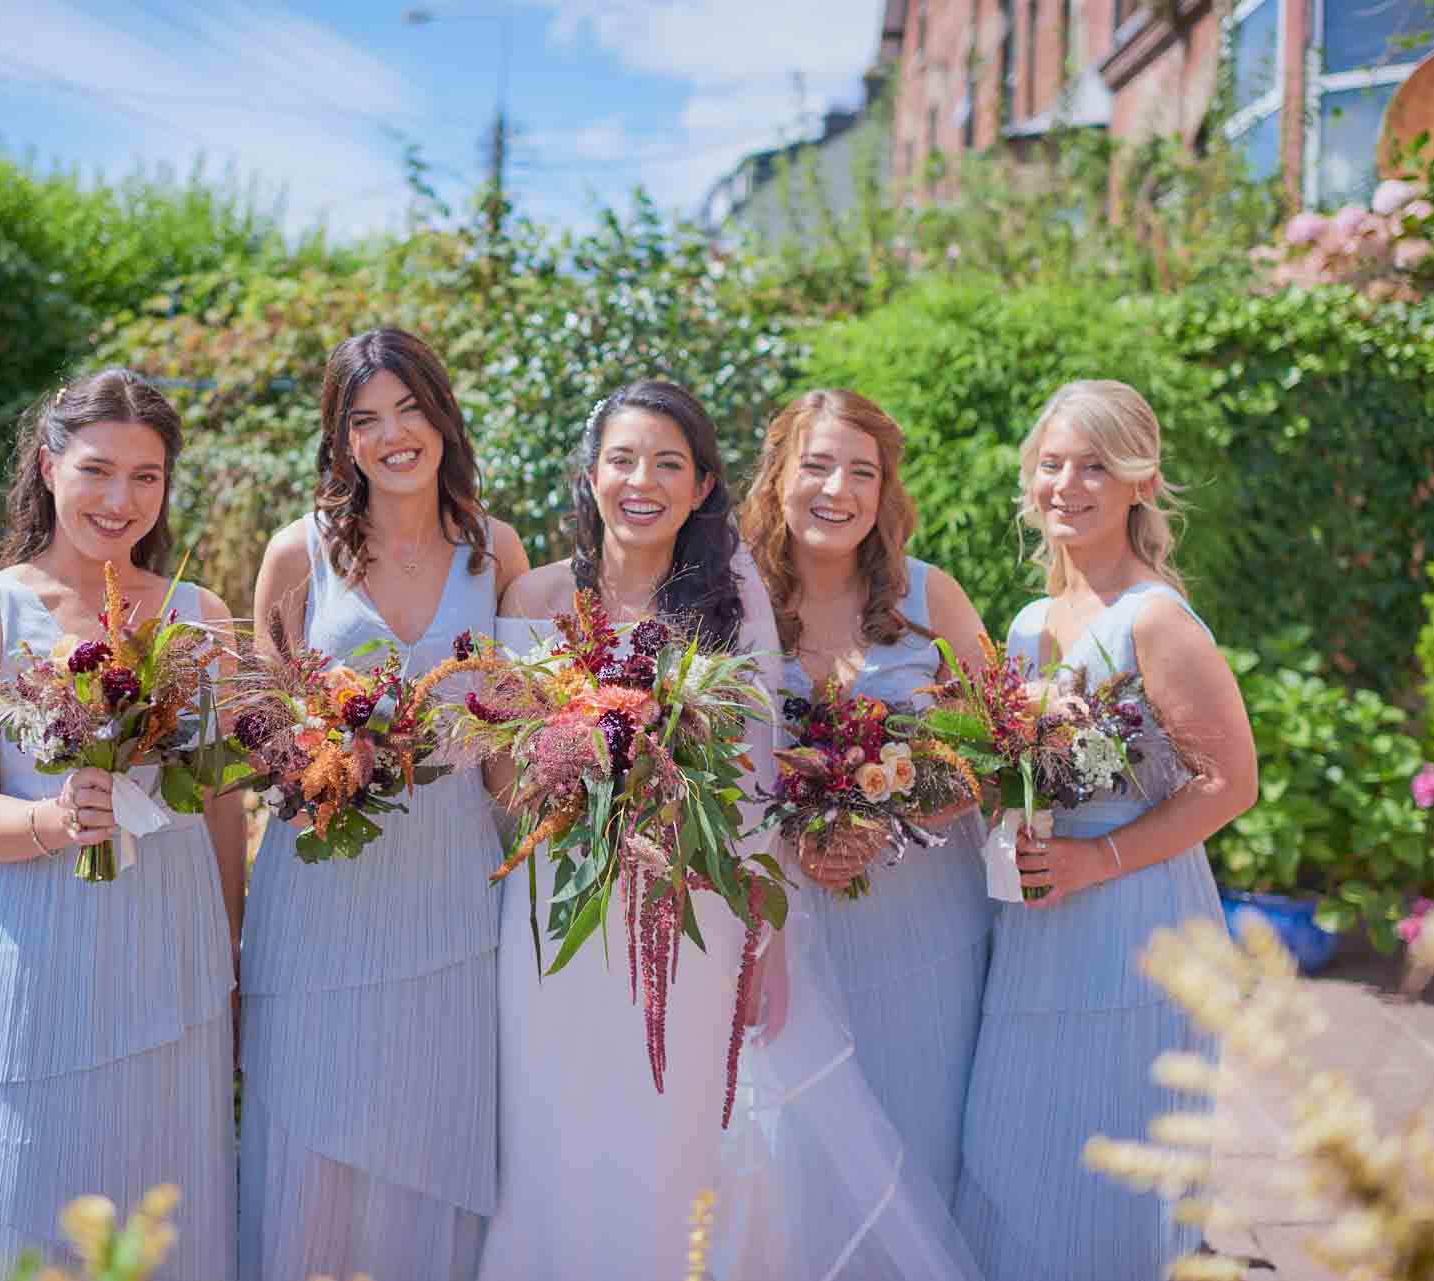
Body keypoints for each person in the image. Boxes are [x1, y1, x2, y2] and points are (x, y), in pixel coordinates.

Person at [478, 381, 981, 1281]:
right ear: (590, 475)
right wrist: (580, 748)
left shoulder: (732, 602)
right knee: (551, 1127)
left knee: (676, 1140)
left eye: (669, 462)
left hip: (693, 914)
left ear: (706, 483)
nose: (643, 479)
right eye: (623, 459)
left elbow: (754, 778)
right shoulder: (533, 594)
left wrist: (770, 934)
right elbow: (501, 779)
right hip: (557, 903)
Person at [0, 368, 245, 1281]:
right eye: (99, 469)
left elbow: (222, 803)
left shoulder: (201, 619)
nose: (120, 498)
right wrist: (54, 817)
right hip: (40, 954)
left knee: (164, 1207)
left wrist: (230, 954)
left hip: (172, 954)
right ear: (49, 464)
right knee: (26, 1206)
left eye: (147, 476)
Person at [237, 328, 529, 1281]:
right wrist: (329, 753)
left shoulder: (498, 554)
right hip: (323, 882)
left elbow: (509, 744)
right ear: (342, 441)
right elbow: (262, 733)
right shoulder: (299, 554)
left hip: (451, 882)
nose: (393, 435)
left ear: (442, 415)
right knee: (313, 1145)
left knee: (435, 1130)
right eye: (366, 420)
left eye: (409, 409)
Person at [955, 380, 1258, 1281]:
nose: (1067, 484)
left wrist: (1100, 856)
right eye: (1051, 464)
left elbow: (1230, 783)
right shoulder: (1026, 623)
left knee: (1112, 1181)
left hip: (1136, 925)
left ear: (1140, 480)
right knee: (1010, 1154)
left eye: (1094, 464)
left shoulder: (1154, 618)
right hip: (1034, 924)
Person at [739, 388, 995, 1206]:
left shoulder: (930, 597)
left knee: (922, 1140)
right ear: (779, 476)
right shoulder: (730, 601)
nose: (837, 490)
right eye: (816, 465)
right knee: (801, 1163)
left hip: (927, 923)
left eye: (863, 472)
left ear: (885, 494)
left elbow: (1003, 748)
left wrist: (903, 811)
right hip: (788, 925)